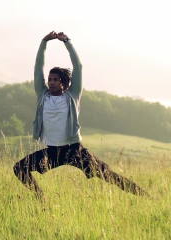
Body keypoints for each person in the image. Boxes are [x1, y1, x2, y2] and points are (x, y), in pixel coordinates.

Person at [12, 31, 147, 198]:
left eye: (55, 80)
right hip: (53, 151)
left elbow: (78, 66)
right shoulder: (43, 96)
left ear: (63, 82)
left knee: (107, 175)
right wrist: (44, 42)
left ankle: (145, 196)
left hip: (74, 150)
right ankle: (42, 199)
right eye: (50, 79)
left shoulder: (72, 95)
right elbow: (37, 67)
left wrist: (67, 42)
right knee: (19, 168)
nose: (51, 82)